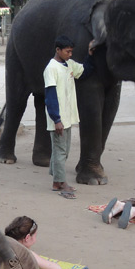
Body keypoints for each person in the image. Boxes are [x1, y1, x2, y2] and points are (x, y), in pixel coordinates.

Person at [44, 36, 97, 199]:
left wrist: (90, 54)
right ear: (58, 50)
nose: (69, 54)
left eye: (71, 51)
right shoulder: (51, 68)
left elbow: (86, 70)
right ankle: (59, 182)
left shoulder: (70, 65)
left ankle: (56, 178)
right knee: (60, 151)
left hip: (67, 117)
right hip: (58, 119)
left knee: (63, 150)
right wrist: (57, 119)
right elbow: (50, 96)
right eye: (67, 51)